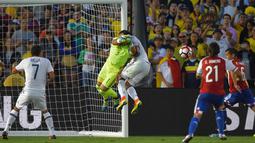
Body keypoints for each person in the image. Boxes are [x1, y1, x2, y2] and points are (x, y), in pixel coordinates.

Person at [182, 42, 240, 143]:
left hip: (205, 92)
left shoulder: (203, 61)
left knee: (198, 114)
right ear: (218, 51)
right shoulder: (224, 61)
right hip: (218, 93)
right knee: (220, 109)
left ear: (208, 51)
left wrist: (204, 75)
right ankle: (221, 133)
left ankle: (190, 134)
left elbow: (198, 75)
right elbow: (236, 71)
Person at [2, 45, 56, 140]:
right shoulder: (46, 61)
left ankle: (6, 130)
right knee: (45, 111)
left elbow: (13, 71)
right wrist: (47, 80)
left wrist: (21, 69)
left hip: (27, 91)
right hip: (40, 92)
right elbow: (52, 76)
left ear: (31, 53)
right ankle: (52, 134)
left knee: (16, 109)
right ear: (40, 52)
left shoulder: (25, 60)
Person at [116, 31, 151, 114]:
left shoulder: (131, 39)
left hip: (139, 63)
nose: (120, 39)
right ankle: (136, 100)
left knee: (119, 78)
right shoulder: (130, 43)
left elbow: (136, 51)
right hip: (146, 67)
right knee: (128, 84)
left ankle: (123, 98)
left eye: (121, 37)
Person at [96, 34, 132, 111]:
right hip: (107, 65)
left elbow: (129, 60)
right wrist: (120, 40)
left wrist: (121, 71)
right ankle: (113, 97)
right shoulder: (115, 41)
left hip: (114, 71)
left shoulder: (128, 50)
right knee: (98, 86)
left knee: (102, 89)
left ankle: (112, 98)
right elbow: (114, 41)